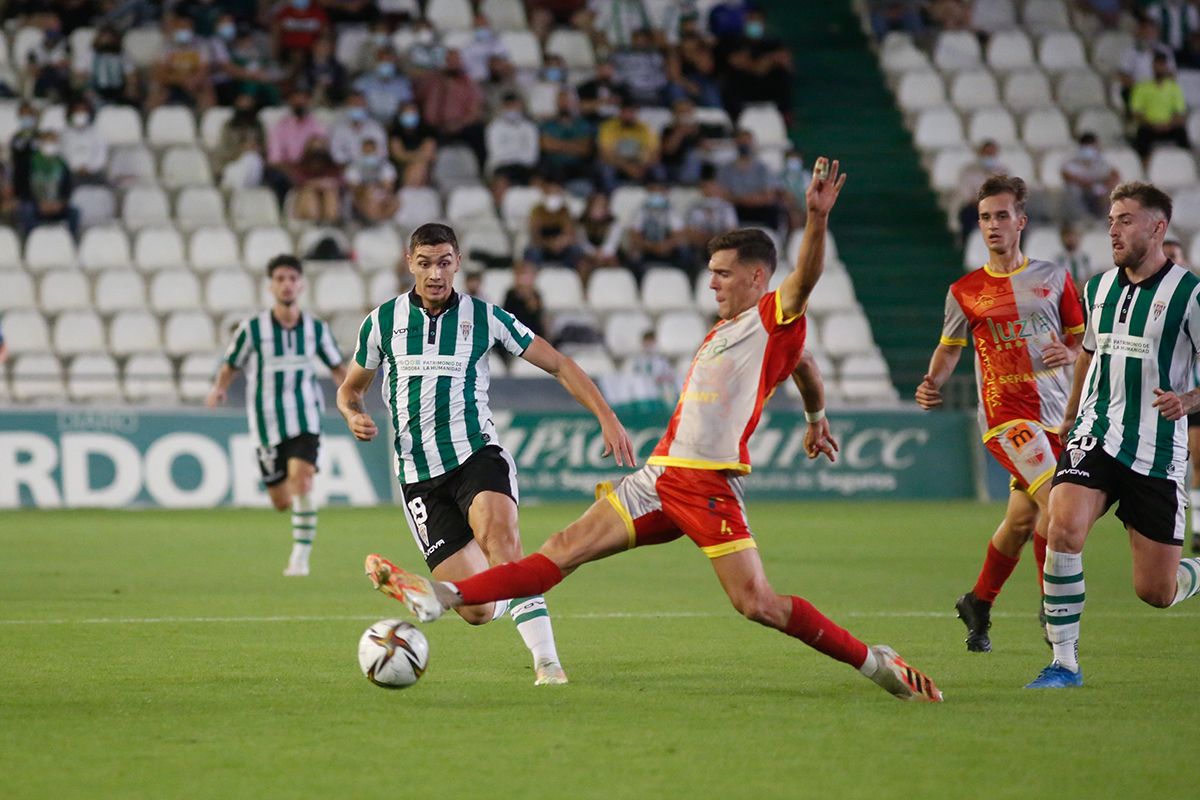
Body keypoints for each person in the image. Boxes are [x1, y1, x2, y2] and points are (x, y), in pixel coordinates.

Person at [364, 162, 945, 703]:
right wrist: (817, 418)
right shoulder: (734, 329)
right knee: (561, 550)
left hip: (707, 485)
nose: (712, 284)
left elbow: (807, 282)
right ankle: (442, 595)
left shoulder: (773, 315)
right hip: (660, 475)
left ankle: (874, 662)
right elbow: (806, 367)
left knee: (757, 604)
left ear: (758, 277)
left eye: (723, 274)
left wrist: (815, 219)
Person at [337, 223, 636, 686]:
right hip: (418, 477)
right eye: (425, 263)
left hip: (477, 456)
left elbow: (557, 363)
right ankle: (433, 595)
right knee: (479, 609)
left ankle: (547, 662)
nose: (435, 273)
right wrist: (352, 414)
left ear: (457, 262)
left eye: (444, 262)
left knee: (504, 546)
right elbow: (350, 390)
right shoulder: (381, 322)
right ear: (408, 262)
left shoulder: (486, 317)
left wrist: (606, 415)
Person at [1025, 181, 1200, 688]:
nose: (1114, 229)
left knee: (1156, 591)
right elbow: (1088, 353)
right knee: (1063, 528)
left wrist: (1187, 401)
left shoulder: (1189, 295)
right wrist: (1070, 418)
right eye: (1110, 220)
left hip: (1157, 448)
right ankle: (1063, 663)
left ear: (1157, 227)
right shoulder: (1098, 288)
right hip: (1095, 432)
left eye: (1125, 219)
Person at [917, 175, 1085, 653]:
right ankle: (1053, 608)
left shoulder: (1054, 277)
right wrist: (933, 382)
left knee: (1020, 523)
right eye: (985, 217)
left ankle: (978, 602)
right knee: (1058, 505)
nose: (992, 225)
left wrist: (1070, 353)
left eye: (1001, 216)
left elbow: (1081, 337)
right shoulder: (965, 290)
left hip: (1055, 416)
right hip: (1005, 419)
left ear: (1021, 221)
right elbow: (949, 350)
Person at [207, 254, 348, 577]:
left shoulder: (315, 329)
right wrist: (219, 388)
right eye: (280, 279)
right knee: (281, 500)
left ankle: (300, 557)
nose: (287, 285)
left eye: (292, 278)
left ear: (301, 284)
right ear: (271, 286)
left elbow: (338, 367)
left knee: (303, 480)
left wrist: (352, 399)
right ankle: (297, 532)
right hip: (266, 422)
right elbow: (230, 364)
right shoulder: (253, 329)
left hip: (305, 417)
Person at [1130, 52, 1189, 160]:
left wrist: (1169, 125)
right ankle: (1143, 167)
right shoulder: (1142, 87)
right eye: (1158, 64)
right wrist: (1152, 124)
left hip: (1169, 127)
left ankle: (1186, 162)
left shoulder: (1174, 88)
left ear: (1166, 67)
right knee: (1141, 135)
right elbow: (1136, 113)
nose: (1160, 68)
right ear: (1153, 66)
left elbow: (1180, 113)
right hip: (1150, 127)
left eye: (1163, 65)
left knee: (1182, 133)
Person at [1060, 133, 1120, 222]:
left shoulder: (1100, 161)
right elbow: (1066, 175)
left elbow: (1114, 174)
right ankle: (1081, 220)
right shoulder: (1072, 161)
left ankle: (1104, 220)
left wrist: (1107, 184)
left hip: (1096, 191)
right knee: (1074, 191)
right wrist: (1087, 182)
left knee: (1109, 191)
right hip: (1079, 192)